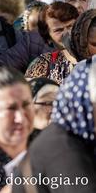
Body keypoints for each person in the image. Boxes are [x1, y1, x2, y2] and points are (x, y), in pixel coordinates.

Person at [13, 61, 96, 193]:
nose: (54, 108)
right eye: (47, 102)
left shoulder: (81, 141)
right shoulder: (62, 147)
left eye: (58, 101)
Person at [25, 2, 79, 84]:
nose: (67, 33)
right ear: (48, 37)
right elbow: (29, 92)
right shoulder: (43, 64)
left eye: (70, 26)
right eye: (58, 30)